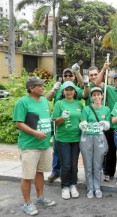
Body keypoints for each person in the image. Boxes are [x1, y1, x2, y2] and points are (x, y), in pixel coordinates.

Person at [13, 76, 56, 216]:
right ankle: (27, 203)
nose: (43, 87)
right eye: (40, 86)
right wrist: (35, 133)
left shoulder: (44, 100)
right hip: (30, 146)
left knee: (40, 172)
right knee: (27, 176)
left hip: (43, 145)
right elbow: (18, 123)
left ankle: (40, 198)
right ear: (31, 88)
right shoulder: (22, 103)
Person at [46, 68, 89, 183]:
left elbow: (85, 95)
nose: (68, 77)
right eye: (66, 75)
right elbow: (46, 99)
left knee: (71, 158)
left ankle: (71, 174)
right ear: (63, 77)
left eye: (71, 75)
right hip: (59, 122)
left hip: (73, 127)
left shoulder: (76, 90)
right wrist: (54, 89)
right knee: (57, 149)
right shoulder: (59, 88)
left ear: (74, 77)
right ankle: (56, 171)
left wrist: (86, 85)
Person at [95, 60, 117, 182]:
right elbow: (97, 83)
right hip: (111, 125)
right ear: (114, 82)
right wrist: (103, 69)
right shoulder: (109, 90)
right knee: (110, 150)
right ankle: (109, 172)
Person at [52, 81, 84, 200]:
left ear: (75, 91)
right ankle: (65, 187)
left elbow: (82, 119)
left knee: (74, 164)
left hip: (76, 138)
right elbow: (55, 122)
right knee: (66, 165)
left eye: (71, 89)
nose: (69, 91)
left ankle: (73, 185)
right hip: (63, 138)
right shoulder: (59, 104)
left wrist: (83, 124)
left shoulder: (79, 104)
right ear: (63, 91)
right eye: (67, 89)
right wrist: (62, 118)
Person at [79, 87, 110, 198]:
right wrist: (83, 125)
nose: (96, 97)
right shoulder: (86, 109)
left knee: (97, 164)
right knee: (88, 164)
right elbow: (83, 123)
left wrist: (105, 124)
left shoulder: (106, 109)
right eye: (94, 95)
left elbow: (107, 127)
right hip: (87, 138)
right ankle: (89, 188)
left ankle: (97, 187)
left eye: (98, 94)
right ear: (91, 97)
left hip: (99, 138)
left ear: (102, 96)